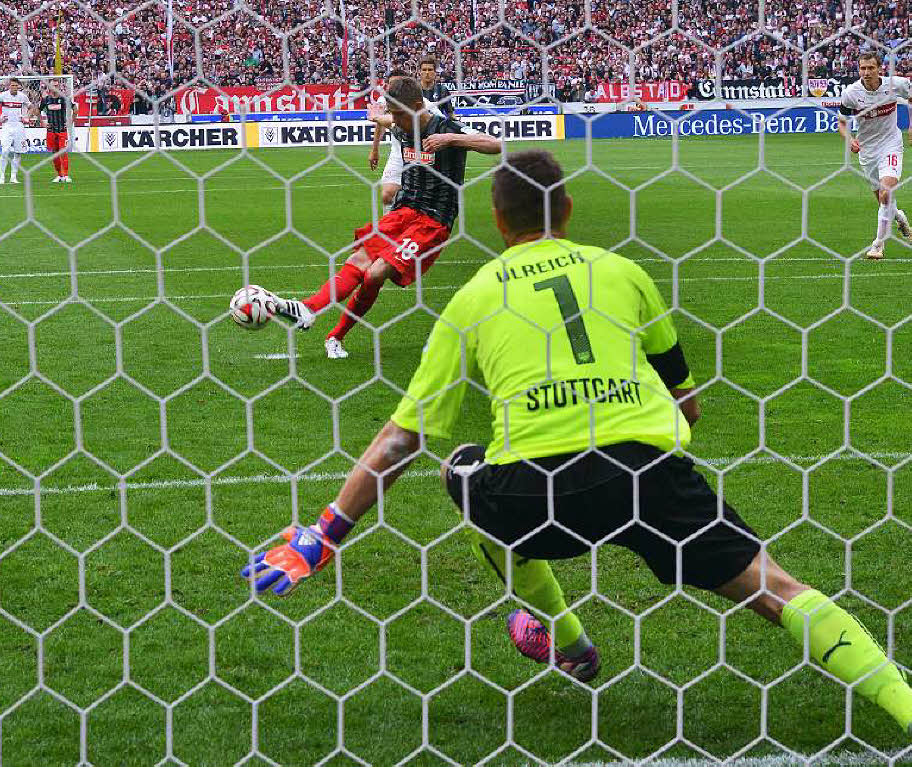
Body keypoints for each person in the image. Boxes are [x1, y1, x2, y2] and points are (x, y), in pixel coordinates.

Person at [242, 150, 912, 736]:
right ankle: (904, 706)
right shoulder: (623, 272)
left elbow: (399, 440)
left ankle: (569, 641)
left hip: (534, 497)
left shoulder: (473, 298)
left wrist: (324, 534)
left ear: (499, 222)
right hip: (649, 477)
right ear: (565, 209)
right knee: (777, 589)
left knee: (461, 466)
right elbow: (689, 404)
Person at [258, 76, 500, 360]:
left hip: (432, 221)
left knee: (375, 273)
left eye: (399, 114)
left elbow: (497, 144)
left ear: (418, 106)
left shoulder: (444, 127)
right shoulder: (401, 127)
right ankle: (308, 309)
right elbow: (387, 122)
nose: (395, 120)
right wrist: (377, 118)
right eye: (392, 113)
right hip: (403, 212)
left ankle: (336, 334)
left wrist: (452, 139)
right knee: (359, 259)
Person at [838, 51, 912, 259]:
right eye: (863, 68)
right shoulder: (851, 93)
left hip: (891, 144)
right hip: (867, 150)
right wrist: (849, 139)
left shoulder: (896, 84)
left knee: (886, 192)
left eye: (871, 68)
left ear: (880, 68)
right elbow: (842, 124)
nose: (867, 72)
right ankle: (900, 218)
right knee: (883, 200)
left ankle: (878, 245)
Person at [367, 68, 443, 209]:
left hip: (420, 154)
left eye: (398, 84)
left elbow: (441, 122)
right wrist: (375, 150)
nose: (395, 88)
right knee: (387, 194)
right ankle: (391, 228)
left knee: (420, 199)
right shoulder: (384, 101)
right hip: (398, 154)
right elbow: (381, 124)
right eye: (391, 84)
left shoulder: (424, 103)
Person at [0, 77, 30, 184]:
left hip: (19, 126)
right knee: (5, 151)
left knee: (18, 153)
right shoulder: (3, 96)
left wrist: (26, 117)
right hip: (7, 126)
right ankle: (1, 177)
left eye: (16, 85)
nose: (14, 87)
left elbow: (31, 107)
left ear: (19, 86)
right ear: (9, 86)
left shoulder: (23, 97)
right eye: (12, 85)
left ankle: (13, 177)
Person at [38, 78, 75, 183]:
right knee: (54, 153)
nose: (54, 88)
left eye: (56, 86)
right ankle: (59, 175)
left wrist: (71, 121)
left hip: (62, 130)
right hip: (51, 130)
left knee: (63, 151)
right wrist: (42, 122)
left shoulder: (64, 99)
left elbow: (75, 108)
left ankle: (66, 175)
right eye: (52, 85)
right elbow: (38, 110)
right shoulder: (46, 100)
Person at [419, 54, 455, 119]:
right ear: (420, 72)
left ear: (435, 72)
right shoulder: (414, 90)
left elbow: (450, 114)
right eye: (424, 70)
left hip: (436, 127)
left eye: (430, 70)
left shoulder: (442, 90)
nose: (427, 72)